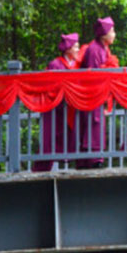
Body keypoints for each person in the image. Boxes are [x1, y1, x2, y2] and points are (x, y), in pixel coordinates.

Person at [33, 33, 81, 172]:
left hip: (69, 109)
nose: (78, 50)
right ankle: (40, 170)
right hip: (54, 108)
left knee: (66, 138)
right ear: (68, 49)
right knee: (50, 139)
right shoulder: (55, 64)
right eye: (75, 47)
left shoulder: (76, 65)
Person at [75, 17, 117, 168]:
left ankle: (95, 157)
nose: (114, 34)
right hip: (91, 96)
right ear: (104, 34)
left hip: (99, 96)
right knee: (92, 125)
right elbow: (93, 76)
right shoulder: (94, 49)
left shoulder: (103, 48)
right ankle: (92, 160)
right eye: (112, 31)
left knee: (97, 126)